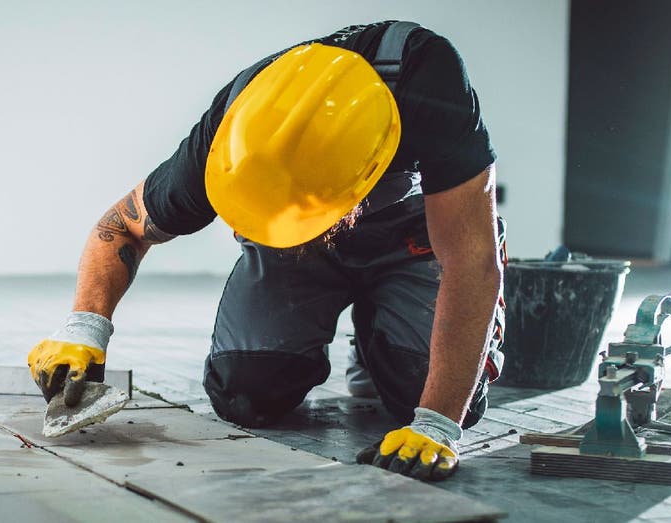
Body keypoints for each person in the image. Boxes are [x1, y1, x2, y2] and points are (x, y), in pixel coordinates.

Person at [27, 20, 505, 482]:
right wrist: (84, 327)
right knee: (245, 393)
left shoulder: (425, 78)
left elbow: (471, 259)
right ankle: (354, 313)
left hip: (415, 240)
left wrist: (437, 423)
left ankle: (380, 331)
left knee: (428, 390)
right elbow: (121, 226)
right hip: (295, 251)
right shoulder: (233, 127)